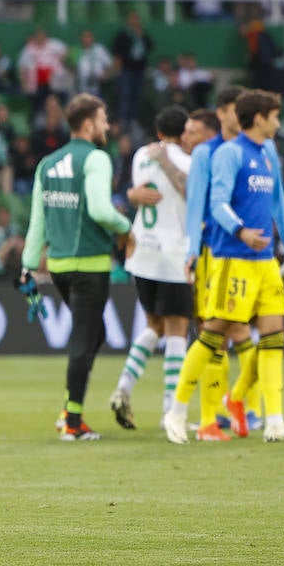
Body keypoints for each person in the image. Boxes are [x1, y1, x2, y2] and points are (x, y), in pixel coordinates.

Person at [164, 90, 284, 444]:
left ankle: (275, 421)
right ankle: (177, 410)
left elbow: (278, 204)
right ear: (259, 118)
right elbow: (215, 202)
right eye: (275, 116)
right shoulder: (228, 154)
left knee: (274, 335)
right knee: (214, 332)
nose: (279, 122)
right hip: (232, 257)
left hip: (265, 263)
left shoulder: (268, 153)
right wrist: (240, 231)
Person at [18, 93, 132, 442]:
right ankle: (73, 422)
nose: (107, 126)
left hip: (60, 266)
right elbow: (100, 210)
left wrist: (26, 265)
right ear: (87, 124)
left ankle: (69, 409)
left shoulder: (47, 163)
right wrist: (127, 227)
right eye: (103, 119)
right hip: (90, 264)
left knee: (95, 334)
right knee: (85, 339)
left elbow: (38, 220)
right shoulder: (96, 159)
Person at [109, 106, 201, 430]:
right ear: (183, 132)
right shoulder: (189, 161)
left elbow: (140, 193)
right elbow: (191, 194)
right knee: (177, 331)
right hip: (173, 254)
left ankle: (123, 387)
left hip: (142, 252)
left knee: (155, 326)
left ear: (159, 131)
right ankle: (170, 413)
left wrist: (133, 194)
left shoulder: (139, 155)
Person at [179, 87, 260, 440]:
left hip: (249, 255)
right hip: (214, 252)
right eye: (233, 109)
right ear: (223, 113)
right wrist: (191, 252)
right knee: (215, 333)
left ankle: (243, 407)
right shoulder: (206, 155)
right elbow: (196, 205)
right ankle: (209, 416)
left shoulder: (255, 151)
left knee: (241, 330)